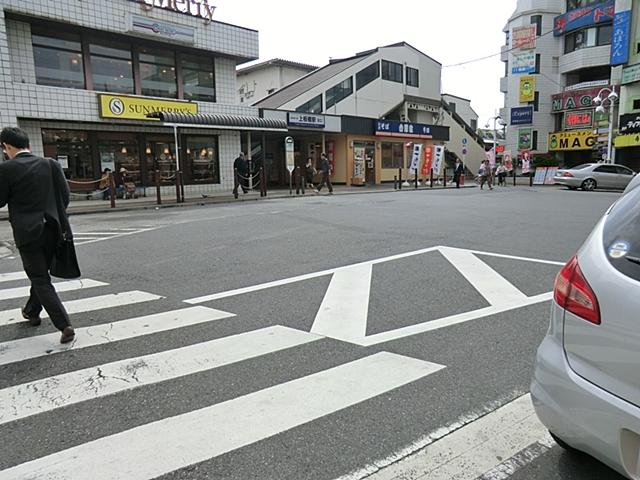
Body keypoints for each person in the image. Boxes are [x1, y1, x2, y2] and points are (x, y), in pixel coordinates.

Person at [0, 127, 75, 344]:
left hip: (27, 232)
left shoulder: (6, 169)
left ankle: (64, 325)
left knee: (40, 278)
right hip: (53, 228)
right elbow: (65, 196)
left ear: (7, 147)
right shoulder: (51, 164)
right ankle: (32, 311)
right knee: (41, 276)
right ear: (28, 144)